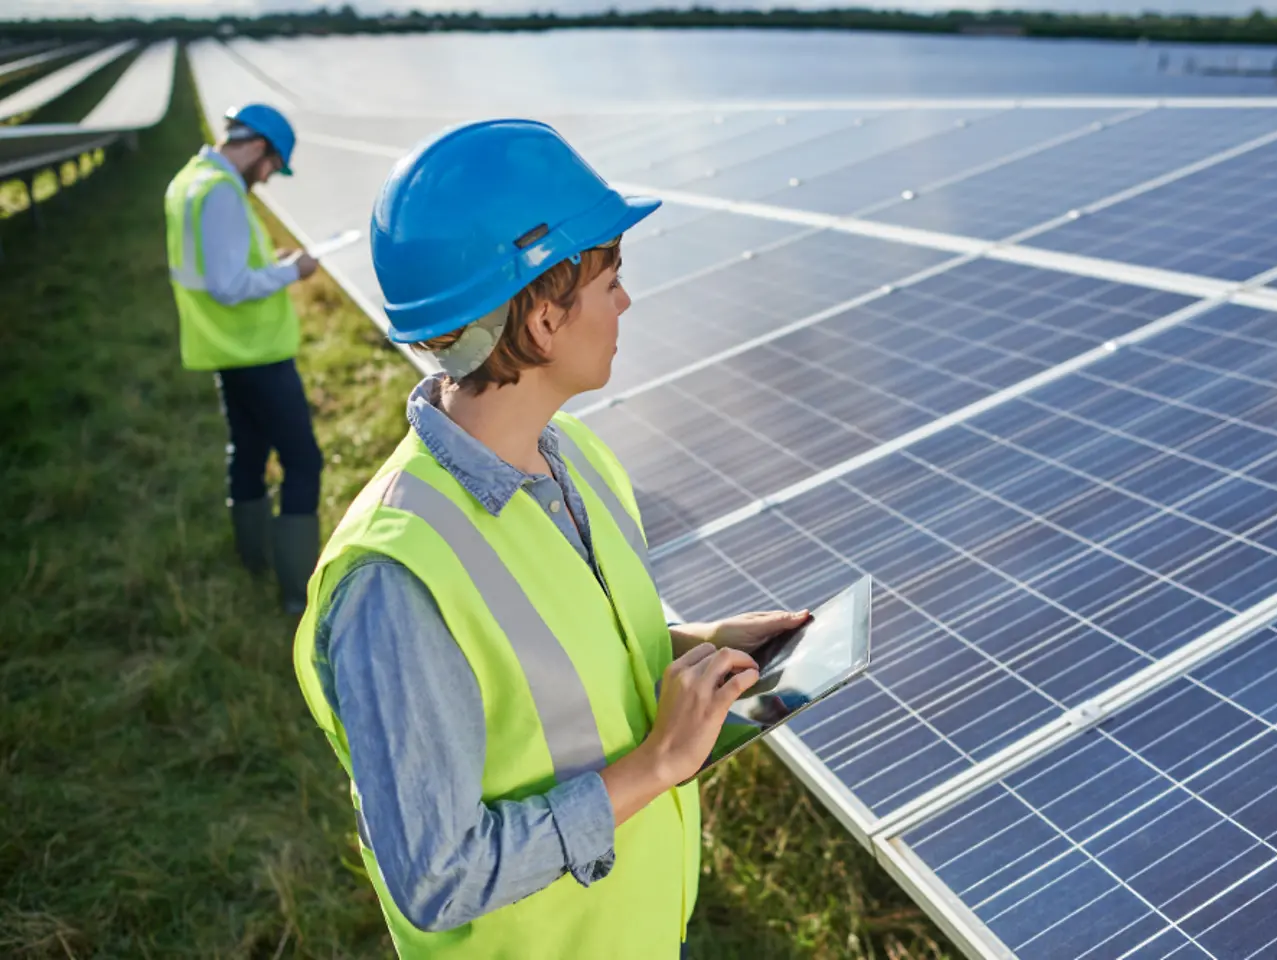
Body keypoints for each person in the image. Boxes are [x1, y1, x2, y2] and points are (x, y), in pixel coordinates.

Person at [291, 119, 810, 958]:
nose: (625, 302)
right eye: (610, 280)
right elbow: (439, 877)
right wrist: (656, 765)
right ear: (541, 321)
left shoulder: (579, 460)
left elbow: (556, 660)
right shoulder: (395, 581)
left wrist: (702, 645)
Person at [163, 102, 323, 613]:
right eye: (273, 164)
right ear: (256, 147)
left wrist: (269, 263)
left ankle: (253, 560)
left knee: (249, 450)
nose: (270, 176)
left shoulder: (189, 180)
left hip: (223, 346)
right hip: (256, 351)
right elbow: (229, 286)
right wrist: (293, 271)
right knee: (303, 460)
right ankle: (299, 592)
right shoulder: (221, 193)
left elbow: (218, 266)